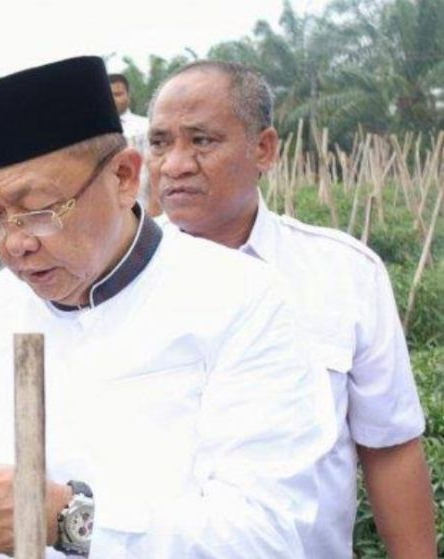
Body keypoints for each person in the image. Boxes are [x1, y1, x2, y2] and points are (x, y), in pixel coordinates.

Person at [0, 56, 333, 559]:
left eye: (40, 211)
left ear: (125, 177)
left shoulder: (241, 300)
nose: (15, 244)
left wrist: (69, 521)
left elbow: (267, 535)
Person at [147, 60, 435, 559]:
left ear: (264, 149)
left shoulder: (342, 273)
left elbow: (388, 447)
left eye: (201, 140)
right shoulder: (119, 280)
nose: (175, 164)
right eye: (159, 142)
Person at [109, 73, 157, 216]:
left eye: (117, 94)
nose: (112, 100)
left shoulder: (144, 127)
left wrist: (154, 206)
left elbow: (154, 166)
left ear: (128, 96)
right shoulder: (93, 132)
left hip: (143, 207)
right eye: (108, 95)